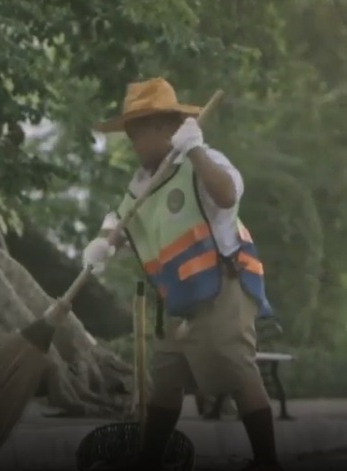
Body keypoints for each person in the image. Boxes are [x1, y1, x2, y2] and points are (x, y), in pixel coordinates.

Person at [83, 78, 281, 470]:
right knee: (167, 375)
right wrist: (103, 243)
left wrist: (196, 151)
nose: (133, 143)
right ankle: (150, 460)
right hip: (179, 298)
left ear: (165, 128)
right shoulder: (143, 184)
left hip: (222, 285)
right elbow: (120, 220)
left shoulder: (202, 161)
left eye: (138, 133)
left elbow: (227, 195)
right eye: (130, 134)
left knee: (236, 365)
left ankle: (266, 460)